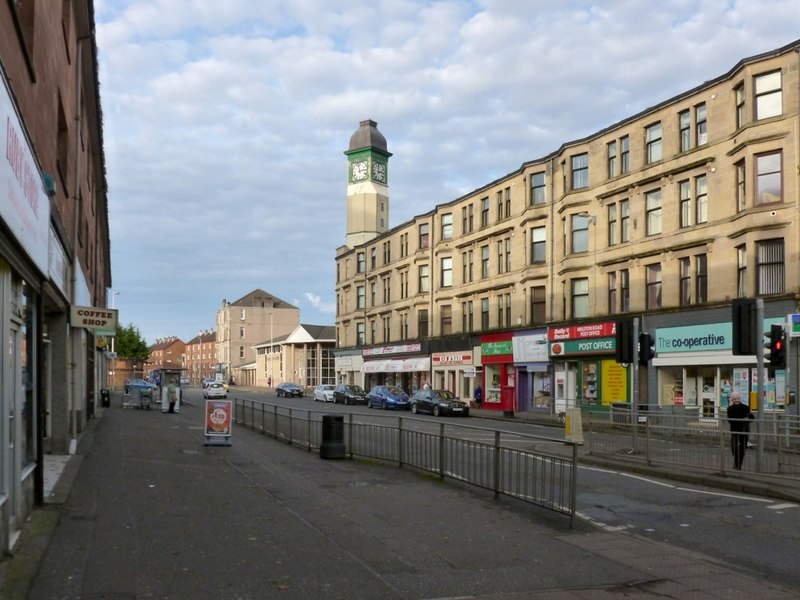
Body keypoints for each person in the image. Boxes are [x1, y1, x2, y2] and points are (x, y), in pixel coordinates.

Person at [726, 391, 753, 470]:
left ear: (740, 398)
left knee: (742, 448)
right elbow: (730, 420)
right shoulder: (730, 408)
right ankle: (736, 462)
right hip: (734, 430)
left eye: (737, 398)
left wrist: (746, 418)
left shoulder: (745, 407)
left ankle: (738, 465)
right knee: (734, 448)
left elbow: (751, 418)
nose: (736, 400)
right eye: (734, 399)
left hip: (744, 430)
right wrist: (742, 419)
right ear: (732, 399)